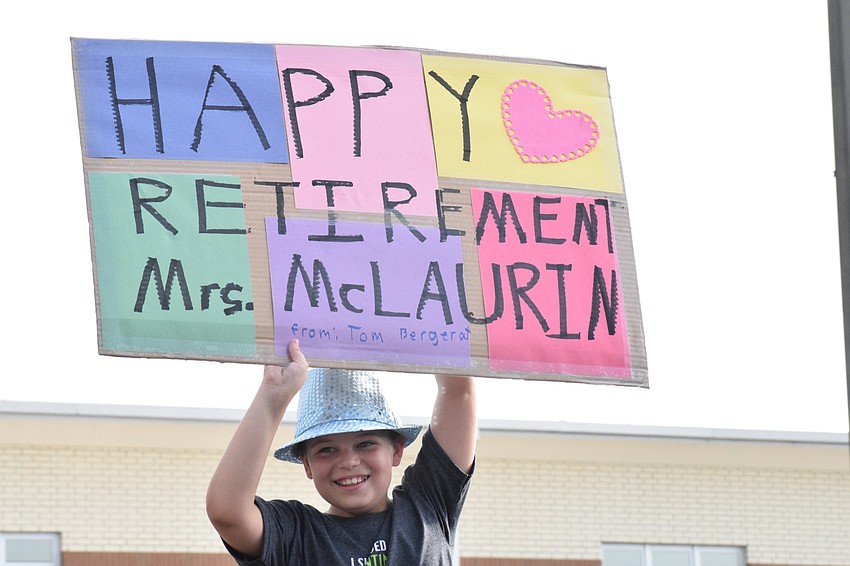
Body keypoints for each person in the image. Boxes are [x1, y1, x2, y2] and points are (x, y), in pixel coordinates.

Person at [206, 338, 477, 565]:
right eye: (327, 449)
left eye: (365, 443)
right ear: (307, 465)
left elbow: (458, 392)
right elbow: (228, 512)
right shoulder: (296, 535)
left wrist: (432, 330)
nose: (348, 461)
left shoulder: (427, 506)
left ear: (396, 450)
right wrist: (272, 396)